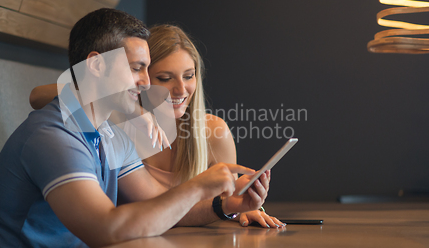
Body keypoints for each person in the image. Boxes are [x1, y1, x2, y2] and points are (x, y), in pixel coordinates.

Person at [0, 9, 269, 248]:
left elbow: (156, 205)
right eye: (137, 68)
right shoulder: (54, 136)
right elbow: (106, 230)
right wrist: (197, 186)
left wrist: (227, 205)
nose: (146, 82)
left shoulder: (109, 131)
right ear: (97, 66)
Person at [30, 24, 284, 228]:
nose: (181, 90)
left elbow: (227, 198)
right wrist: (132, 108)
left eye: (189, 75)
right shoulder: (115, 126)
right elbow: (38, 96)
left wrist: (244, 207)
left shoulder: (213, 132)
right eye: (165, 78)